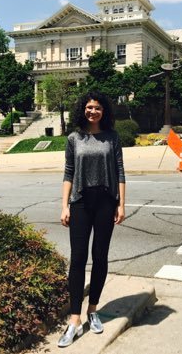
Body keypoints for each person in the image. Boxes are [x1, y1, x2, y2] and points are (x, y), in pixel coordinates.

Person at [58, 91, 126, 348]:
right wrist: (64, 206)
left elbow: (120, 170)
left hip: (106, 202)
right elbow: (68, 172)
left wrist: (121, 204)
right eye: (89, 107)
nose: (93, 111)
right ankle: (74, 319)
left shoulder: (112, 137)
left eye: (97, 107)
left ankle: (93, 309)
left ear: (104, 111)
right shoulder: (74, 138)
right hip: (80, 202)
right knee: (77, 259)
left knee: (100, 256)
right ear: (82, 110)